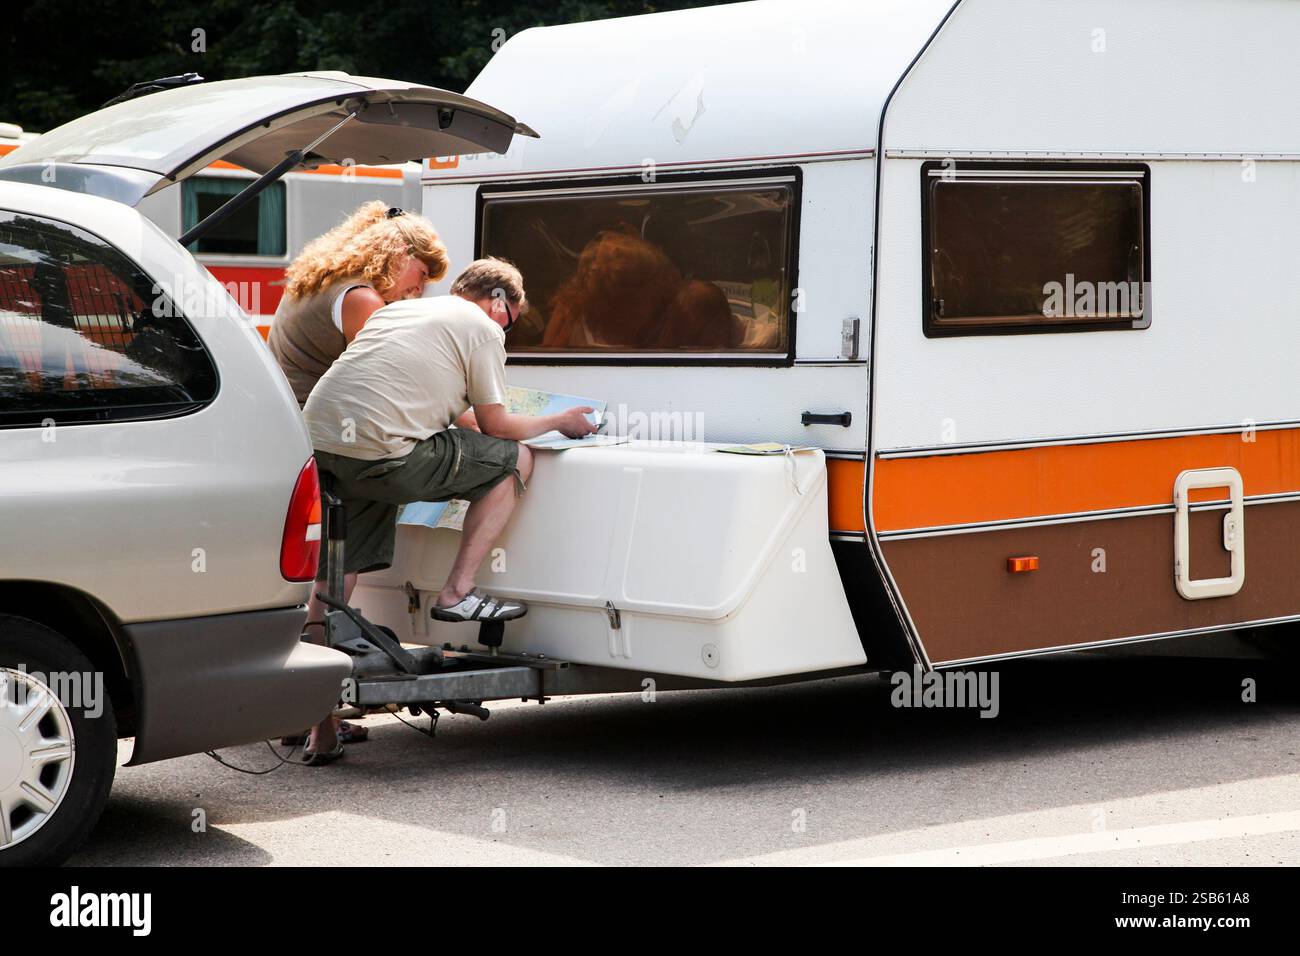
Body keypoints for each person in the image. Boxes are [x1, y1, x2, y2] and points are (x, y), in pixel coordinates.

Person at [298, 257, 597, 763]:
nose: (506, 330)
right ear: (499, 303)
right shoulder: (482, 327)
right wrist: (557, 421)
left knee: (333, 586)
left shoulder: (403, 313)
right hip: (383, 453)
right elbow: (498, 428)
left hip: (323, 448)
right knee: (514, 461)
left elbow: (451, 410)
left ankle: (315, 727)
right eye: (512, 318)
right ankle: (457, 592)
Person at [268, 202, 449, 406]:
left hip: (286, 413)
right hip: (318, 425)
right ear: (401, 253)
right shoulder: (362, 298)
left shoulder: (319, 278)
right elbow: (381, 383)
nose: (419, 289)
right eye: (422, 275)